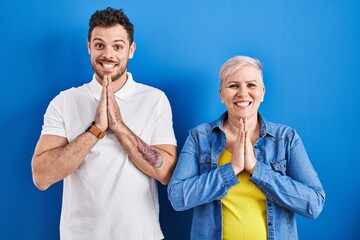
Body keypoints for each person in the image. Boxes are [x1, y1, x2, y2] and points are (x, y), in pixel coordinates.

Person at [31, 7, 177, 240]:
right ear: (89, 47)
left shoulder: (155, 100)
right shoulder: (64, 102)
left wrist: (118, 126)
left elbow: (166, 172)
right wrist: (96, 129)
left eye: (117, 46)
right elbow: (41, 176)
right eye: (99, 45)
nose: (108, 55)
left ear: (131, 50)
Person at [167, 56, 325, 240]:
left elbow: (314, 204)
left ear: (262, 92)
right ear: (221, 94)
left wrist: (257, 170)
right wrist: (231, 170)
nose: (243, 93)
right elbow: (177, 198)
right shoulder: (199, 137)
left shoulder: (285, 139)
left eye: (251, 85)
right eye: (233, 85)